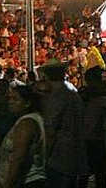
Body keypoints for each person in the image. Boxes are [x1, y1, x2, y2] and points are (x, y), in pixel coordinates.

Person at [0, 85, 45, 188]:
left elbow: (19, 158)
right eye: (9, 98)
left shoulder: (26, 123)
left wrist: (7, 184)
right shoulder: (29, 120)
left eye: (16, 99)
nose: (10, 102)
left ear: (27, 103)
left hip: (26, 181)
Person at [38, 59, 88, 188]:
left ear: (47, 76)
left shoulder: (57, 97)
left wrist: (44, 155)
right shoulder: (72, 92)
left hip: (59, 156)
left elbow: (51, 129)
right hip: (76, 153)